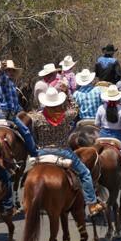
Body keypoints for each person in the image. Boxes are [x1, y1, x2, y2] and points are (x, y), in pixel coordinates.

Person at [29, 86, 104, 216]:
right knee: (85, 173)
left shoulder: (36, 118)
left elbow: (33, 133)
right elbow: (75, 109)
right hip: (62, 151)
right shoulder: (65, 116)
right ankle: (92, 204)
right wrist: (67, 93)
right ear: (58, 102)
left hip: (42, 152)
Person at [0, 60, 38, 156]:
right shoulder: (4, 81)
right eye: (8, 70)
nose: (11, 72)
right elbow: (2, 80)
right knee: (26, 132)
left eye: (12, 71)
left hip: (4, 113)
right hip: (8, 115)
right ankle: (34, 154)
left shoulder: (12, 83)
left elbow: (14, 102)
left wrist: (20, 110)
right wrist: (1, 71)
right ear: (5, 71)